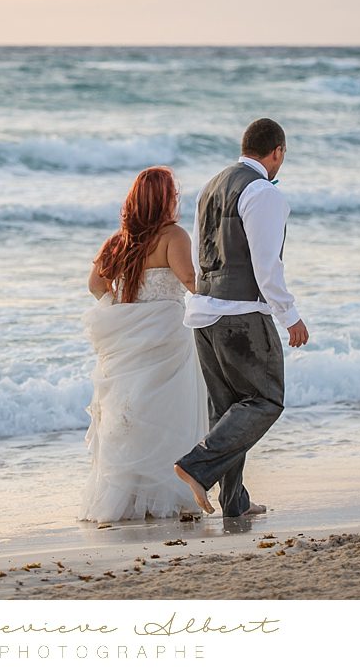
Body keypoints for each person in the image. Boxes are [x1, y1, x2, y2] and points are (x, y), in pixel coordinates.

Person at [174, 118, 309, 517]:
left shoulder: (209, 187)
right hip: (242, 315)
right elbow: (267, 266)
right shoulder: (262, 192)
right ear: (277, 152)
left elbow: (200, 256)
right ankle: (198, 466)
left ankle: (235, 501)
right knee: (266, 399)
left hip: (205, 313)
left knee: (227, 407)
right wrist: (290, 316)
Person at [79, 166, 209, 522]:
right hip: (166, 334)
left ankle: (129, 499)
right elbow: (189, 281)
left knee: (130, 414)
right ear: (166, 200)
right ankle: (166, 494)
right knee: (169, 414)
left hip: (127, 337)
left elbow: (95, 285)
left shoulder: (117, 242)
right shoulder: (173, 237)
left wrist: (124, 309)